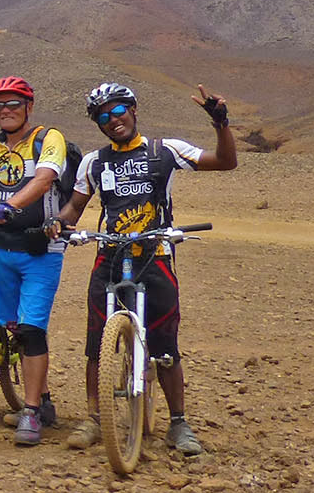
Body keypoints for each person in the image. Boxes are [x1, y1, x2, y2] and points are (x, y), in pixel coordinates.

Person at [50, 82, 237, 457]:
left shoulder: (165, 150)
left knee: (165, 344)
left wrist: (221, 123)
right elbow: (75, 205)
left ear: (134, 110)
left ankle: (178, 423)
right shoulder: (94, 161)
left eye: (118, 111)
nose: (112, 120)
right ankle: (93, 418)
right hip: (110, 255)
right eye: (102, 116)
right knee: (95, 343)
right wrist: (60, 222)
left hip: (156, 255)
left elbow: (225, 161)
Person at [0, 76, 69, 445]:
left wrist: (8, 206)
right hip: (3, 249)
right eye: (0, 106)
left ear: (29, 107)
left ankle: (30, 413)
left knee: (32, 328)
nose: (6, 111)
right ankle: (43, 401)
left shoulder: (48, 139)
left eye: (14, 104)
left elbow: (46, 179)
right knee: (14, 329)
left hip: (40, 250)